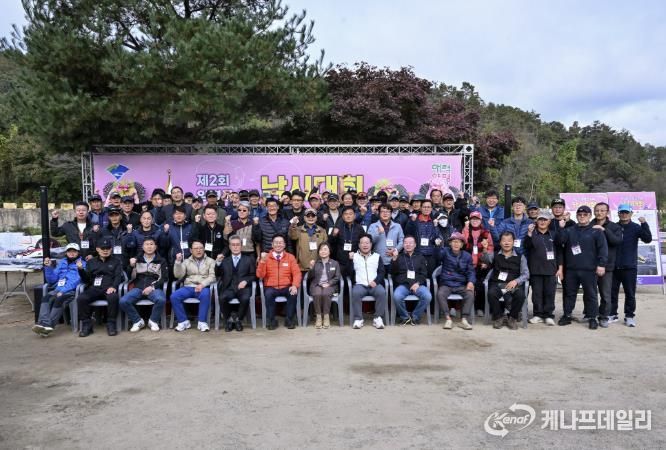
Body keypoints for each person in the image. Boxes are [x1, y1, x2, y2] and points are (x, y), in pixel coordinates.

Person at [557, 205, 608, 329]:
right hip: (571, 269)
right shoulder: (569, 230)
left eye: (585, 215)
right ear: (576, 216)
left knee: (591, 294)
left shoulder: (596, 231)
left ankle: (592, 317)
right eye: (580, 215)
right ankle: (567, 315)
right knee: (569, 294)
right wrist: (562, 227)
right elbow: (559, 242)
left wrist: (601, 265)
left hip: (589, 269)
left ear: (590, 216)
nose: (582, 217)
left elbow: (603, 249)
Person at [610, 203, 652, 327]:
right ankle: (612, 314)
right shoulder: (614, 227)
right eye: (622, 212)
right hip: (614, 266)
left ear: (631, 214)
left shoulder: (636, 227)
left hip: (629, 267)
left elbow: (647, 239)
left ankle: (629, 316)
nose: (624, 214)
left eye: (626, 212)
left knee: (630, 293)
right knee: (612, 293)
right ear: (618, 214)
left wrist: (644, 224)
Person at [482, 231, 530, 330]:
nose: (506, 243)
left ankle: (512, 318)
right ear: (500, 242)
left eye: (509, 240)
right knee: (491, 293)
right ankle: (498, 317)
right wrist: (485, 249)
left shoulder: (521, 257)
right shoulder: (495, 254)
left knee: (520, 295)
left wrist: (516, 281)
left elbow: (526, 274)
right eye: (504, 240)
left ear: (513, 242)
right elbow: (485, 260)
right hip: (498, 284)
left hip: (513, 285)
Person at [32, 244, 83, 336]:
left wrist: (62, 291)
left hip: (72, 291)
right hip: (58, 289)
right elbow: (52, 280)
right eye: (69, 251)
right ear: (66, 253)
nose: (71, 253)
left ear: (78, 253)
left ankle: (47, 325)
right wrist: (48, 267)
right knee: (46, 298)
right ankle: (43, 324)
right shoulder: (62, 262)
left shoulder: (82, 263)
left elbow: (77, 281)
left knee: (59, 299)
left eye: (74, 251)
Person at [119, 237, 168, 332]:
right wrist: (131, 266)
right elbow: (129, 277)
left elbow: (164, 278)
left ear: (155, 247)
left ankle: (153, 321)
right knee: (123, 301)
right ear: (142, 247)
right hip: (138, 287)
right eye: (147, 244)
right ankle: (137, 321)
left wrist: (152, 287)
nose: (149, 247)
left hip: (153, 288)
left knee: (161, 299)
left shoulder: (161, 260)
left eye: (151, 244)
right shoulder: (137, 259)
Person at [76, 238, 123, 337]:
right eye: (103, 248)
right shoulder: (91, 262)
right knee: (81, 298)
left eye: (108, 248)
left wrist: (114, 286)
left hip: (109, 288)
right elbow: (86, 280)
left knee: (113, 297)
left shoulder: (116, 261)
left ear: (111, 249)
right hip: (94, 288)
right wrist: (80, 270)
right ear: (97, 249)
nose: (105, 250)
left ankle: (111, 324)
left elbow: (118, 276)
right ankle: (87, 324)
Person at [256, 235, 302, 330]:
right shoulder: (266, 257)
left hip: (286, 286)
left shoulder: (290, 257)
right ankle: (271, 320)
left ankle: (289, 319)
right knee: (268, 295)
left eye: (280, 242)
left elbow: (297, 273)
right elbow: (260, 275)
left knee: (293, 293)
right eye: (276, 242)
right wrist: (262, 261)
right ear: (272, 245)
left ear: (284, 245)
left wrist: (294, 285)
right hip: (271, 286)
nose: (278, 245)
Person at [525, 209, 562, 326]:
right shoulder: (532, 233)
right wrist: (529, 234)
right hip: (535, 269)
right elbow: (526, 246)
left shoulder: (554, 234)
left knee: (550, 293)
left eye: (545, 220)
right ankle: (538, 315)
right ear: (536, 221)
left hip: (551, 269)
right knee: (536, 294)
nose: (542, 222)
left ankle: (549, 315)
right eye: (540, 219)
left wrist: (560, 268)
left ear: (549, 221)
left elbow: (559, 252)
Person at [171, 240, 217, 332]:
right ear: (191, 250)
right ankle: (183, 321)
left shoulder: (211, 261)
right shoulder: (186, 261)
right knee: (174, 296)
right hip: (188, 286)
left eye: (201, 248)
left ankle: (202, 322)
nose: (198, 250)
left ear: (204, 249)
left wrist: (202, 285)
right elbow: (178, 275)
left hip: (203, 287)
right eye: (196, 248)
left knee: (205, 295)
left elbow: (212, 277)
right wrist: (178, 262)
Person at [590, 202, 623, 327]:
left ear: (607, 212)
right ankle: (591, 315)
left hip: (607, 266)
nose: (599, 213)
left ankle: (603, 316)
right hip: (589, 265)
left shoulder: (614, 227)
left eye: (602, 210)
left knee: (605, 294)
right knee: (590, 293)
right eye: (597, 210)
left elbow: (617, 241)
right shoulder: (589, 224)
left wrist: (604, 230)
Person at [436, 232, 475, 330]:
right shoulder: (445, 252)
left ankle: (464, 320)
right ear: (450, 243)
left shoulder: (467, 256)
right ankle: (448, 319)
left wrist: (471, 282)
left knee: (470, 294)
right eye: (454, 241)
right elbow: (438, 256)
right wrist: (438, 246)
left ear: (462, 245)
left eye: (458, 242)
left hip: (461, 284)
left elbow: (471, 271)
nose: (456, 244)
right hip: (447, 283)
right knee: (440, 293)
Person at [218, 235, 256, 332]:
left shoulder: (249, 259)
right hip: (229, 287)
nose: (235, 247)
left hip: (243, 288)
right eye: (233, 245)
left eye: (237, 245)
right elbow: (217, 274)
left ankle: (238, 319)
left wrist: (246, 281)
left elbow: (253, 275)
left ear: (241, 246)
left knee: (245, 298)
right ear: (229, 247)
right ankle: (229, 320)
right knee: (222, 298)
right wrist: (218, 263)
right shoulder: (225, 260)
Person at [391, 235, 432, 325]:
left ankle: (415, 316)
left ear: (415, 245)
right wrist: (394, 259)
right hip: (403, 285)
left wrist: (417, 283)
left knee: (427, 296)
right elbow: (393, 273)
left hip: (417, 285)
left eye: (410, 243)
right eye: (406, 243)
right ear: (403, 245)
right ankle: (405, 317)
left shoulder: (420, 257)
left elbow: (424, 273)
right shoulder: (399, 257)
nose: (408, 245)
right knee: (397, 296)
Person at [350, 234, 387, 329]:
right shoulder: (354, 256)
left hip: (374, 284)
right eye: (362, 243)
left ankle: (378, 318)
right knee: (355, 293)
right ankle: (358, 319)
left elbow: (382, 272)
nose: (365, 245)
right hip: (360, 284)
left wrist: (376, 281)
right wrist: (350, 260)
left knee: (381, 292)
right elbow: (348, 272)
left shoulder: (377, 256)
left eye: (367, 243)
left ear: (371, 244)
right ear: (359, 245)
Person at [462, 211, 493, 316]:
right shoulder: (466, 230)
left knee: (480, 287)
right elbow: (463, 243)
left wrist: (486, 262)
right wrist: (466, 229)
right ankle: (467, 307)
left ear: (480, 220)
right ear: (470, 220)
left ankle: (479, 307)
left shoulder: (486, 233)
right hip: (468, 264)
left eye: (477, 219)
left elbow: (490, 248)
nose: (475, 221)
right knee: (468, 286)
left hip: (481, 264)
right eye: (473, 219)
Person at [306, 242, 341, 329]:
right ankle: (318, 317)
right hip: (316, 285)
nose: (323, 251)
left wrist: (329, 283)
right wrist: (311, 268)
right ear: (318, 252)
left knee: (325, 293)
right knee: (317, 293)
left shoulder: (335, 263)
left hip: (330, 286)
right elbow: (310, 277)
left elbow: (337, 277)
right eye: (321, 250)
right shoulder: (316, 263)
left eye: (325, 249)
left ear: (329, 251)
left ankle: (326, 316)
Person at [404, 199, 443, 276]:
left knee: (430, 276)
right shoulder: (414, 220)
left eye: (428, 207)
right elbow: (407, 233)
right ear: (421, 208)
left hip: (431, 254)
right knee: (418, 277)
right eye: (424, 207)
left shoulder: (434, 222)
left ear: (431, 209)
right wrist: (412, 222)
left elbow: (437, 237)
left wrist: (436, 229)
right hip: (417, 253)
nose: (426, 209)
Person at [367, 203, 405, 274]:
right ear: (379, 213)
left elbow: (402, 241)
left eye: (387, 211)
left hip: (393, 259)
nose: (385, 213)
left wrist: (396, 249)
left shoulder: (397, 226)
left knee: (392, 278)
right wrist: (377, 233)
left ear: (391, 213)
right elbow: (369, 242)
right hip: (377, 260)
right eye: (382, 211)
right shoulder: (373, 226)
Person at [289, 208, 328, 272]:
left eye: (313, 216)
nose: (310, 218)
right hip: (302, 267)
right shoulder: (298, 229)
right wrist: (293, 225)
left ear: (316, 217)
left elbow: (325, 248)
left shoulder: (322, 231)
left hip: (319, 266)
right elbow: (293, 237)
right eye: (308, 216)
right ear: (304, 218)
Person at [329, 206, 364, 278]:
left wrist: (357, 254)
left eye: (350, 214)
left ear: (354, 216)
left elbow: (363, 244)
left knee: (355, 280)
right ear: (342, 216)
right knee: (341, 281)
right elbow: (330, 243)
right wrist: (333, 235)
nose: (348, 216)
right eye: (346, 214)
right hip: (341, 262)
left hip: (356, 261)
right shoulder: (338, 227)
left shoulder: (359, 228)